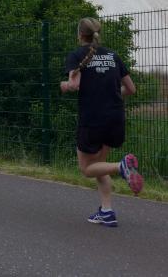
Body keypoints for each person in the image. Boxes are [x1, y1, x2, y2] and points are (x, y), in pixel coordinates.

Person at [60, 17, 143, 228]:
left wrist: (64, 85)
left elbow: (74, 85)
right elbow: (131, 89)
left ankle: (122, 166)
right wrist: (110, 95)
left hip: (92, 118)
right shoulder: (113, 56)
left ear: (80, 34)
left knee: (87, 169)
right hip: (115, 117)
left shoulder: (76, 55)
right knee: (99, 167)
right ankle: (107, 212)